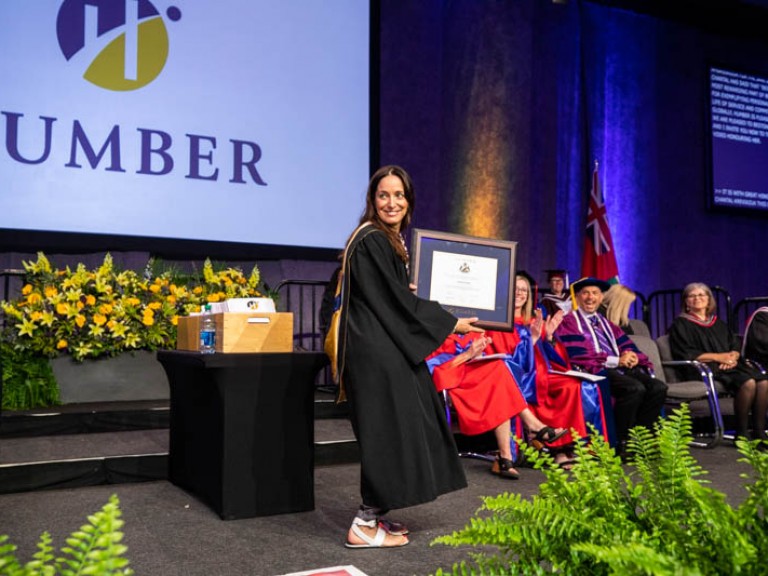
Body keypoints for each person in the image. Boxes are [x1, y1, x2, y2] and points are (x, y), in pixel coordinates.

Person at [336, 165, 483, 549]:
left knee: (403, 424)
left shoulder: (386, 241)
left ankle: (376, 514)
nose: (392, 202)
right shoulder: (371, 240)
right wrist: (451, 323)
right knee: (387, 432)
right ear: (373, 200)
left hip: (383, 348)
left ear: (409, 200)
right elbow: (394, 303)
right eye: (384, 195)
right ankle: (364, 524)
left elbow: (389, 295)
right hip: (375, 353)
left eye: (399, 195)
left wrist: (407, 290)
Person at [488, 273, 610, 467]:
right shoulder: (499, 324)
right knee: (555, 390)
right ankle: (555, 449)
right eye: (515, 289)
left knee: (575, 385)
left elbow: (554, 357)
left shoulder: (534, 320)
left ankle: (571, 448)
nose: (520, 293)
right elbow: (509, 362)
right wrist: (533, 340)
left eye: (524, 290)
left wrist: (550, 338)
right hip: (521, 379)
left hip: (544, 374)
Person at [426, 332, 567, 479]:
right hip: (453, 387)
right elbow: (431, 371)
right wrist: (467, 355)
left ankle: (509, 453)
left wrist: (477, 355)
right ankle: (527, 432)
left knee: (499, 371)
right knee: (498, 379)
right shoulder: (435, 329)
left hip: (472, 381)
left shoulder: (474, 332)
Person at [556, 277, 667, 451]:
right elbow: (579, 356)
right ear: (577, 297)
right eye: (585, 293)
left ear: (601, 298)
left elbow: (626, 344)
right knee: (634, 388)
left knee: (658, 387)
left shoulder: (605, 322)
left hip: (620, 369)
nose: (590, 297)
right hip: (595, 370)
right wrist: (616, 360)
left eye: (595, 293)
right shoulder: (569, 322)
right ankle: (621, 440)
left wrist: (633, 356)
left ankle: (641, 439)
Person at [669, 283, 768, 442]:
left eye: (702, 295)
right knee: (748, 383)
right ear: (686, 302)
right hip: (703, 367)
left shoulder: (717, 322)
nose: (697, 298)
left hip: (730, 364)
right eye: (692, 296)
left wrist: (733, 356)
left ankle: (759, 432)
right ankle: (741, 433)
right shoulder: (680, 324)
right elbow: (686, 352)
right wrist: (719, 357)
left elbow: (734, 343)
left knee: (763, 382)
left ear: (709, 300)